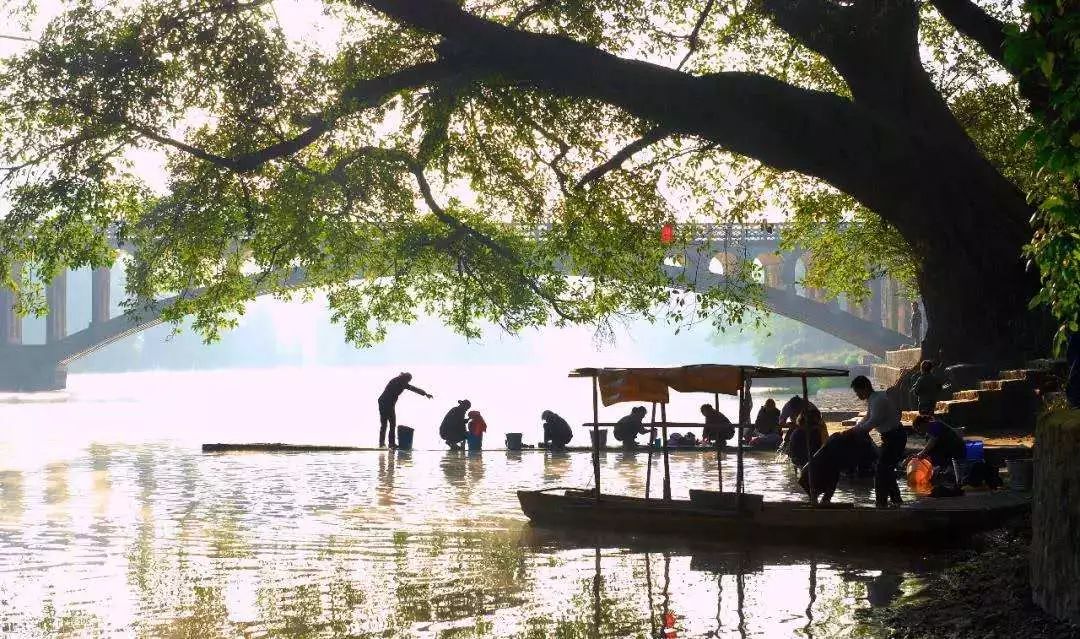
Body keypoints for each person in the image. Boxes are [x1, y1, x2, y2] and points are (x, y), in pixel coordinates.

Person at [847, 375, 906, 508]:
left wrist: (856, 431)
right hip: (890, 437)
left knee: (881, 470)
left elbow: (874, 421)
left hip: (895, 437)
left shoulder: (878, 400)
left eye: (858, 392)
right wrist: (855, 428)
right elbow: (867, 417)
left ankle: (881, 503)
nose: (857, 395)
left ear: (865, 388)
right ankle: (896, 500)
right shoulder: (873, 398)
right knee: (887, 469)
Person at [378, 372, 433, 448]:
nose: (408, 382)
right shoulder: (398, 382)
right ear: (405, 378)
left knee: (389, 424)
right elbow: (413, 388)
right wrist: (425, 394)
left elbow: (413, 388)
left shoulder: (401, 381)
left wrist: (425, 393)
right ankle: (386, 444)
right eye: (408, 380)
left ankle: (388, 444)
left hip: (388, 403)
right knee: (388, 424)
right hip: (385, 403)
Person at [786, 404, 826, 468]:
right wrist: (823, 428)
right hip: (809, 462)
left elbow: (790, 453)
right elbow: (824, 448)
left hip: (798, 461)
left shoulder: (796, 432)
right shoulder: (815, 432)